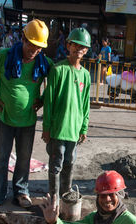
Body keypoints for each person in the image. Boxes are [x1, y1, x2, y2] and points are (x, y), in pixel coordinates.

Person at [0, 19, 54, 210]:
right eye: (32, 45)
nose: (34, 50)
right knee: (1, 159)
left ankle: (21, 192)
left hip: (27, 121)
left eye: (39, 47)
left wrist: (43, 98)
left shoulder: (43, 62)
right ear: (23, 38)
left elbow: (56, 77)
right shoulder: (4, 56)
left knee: (24, 159)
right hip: (5, 119)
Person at [41, 28, 91, 205]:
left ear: (86, 50)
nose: (78, 49)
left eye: (82, 46)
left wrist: (84, 127)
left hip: (74, 129)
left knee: (70, 161)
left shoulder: (85, 74)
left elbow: (85, 104)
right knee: (56, 164)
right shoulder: (58, 70)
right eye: (75, 45)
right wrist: (46, 128)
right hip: (58, 128)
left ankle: (66, 191)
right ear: (68, 45)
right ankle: (53, 196)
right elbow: (49, 102)